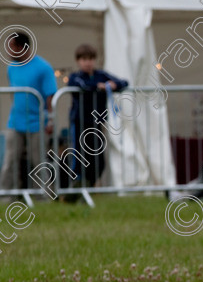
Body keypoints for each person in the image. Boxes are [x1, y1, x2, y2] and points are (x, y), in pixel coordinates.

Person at [64, 44, 128, 189]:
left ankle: (90, 184)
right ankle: (76, 185)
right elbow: (81, 85)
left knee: (98, 158)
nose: (88, 62)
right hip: (79, 122)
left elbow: (123, 82)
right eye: (84, 59)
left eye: (91, 59)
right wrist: (98, 86)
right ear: (78, 61)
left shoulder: (101, 75)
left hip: (97, 123)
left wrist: (112, 85)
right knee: (79, 154)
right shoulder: (75, 77)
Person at [1, 31, 57, 192]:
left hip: (38, 123)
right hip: (15, 122)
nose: (8, 51)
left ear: (22, 47)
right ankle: (7, 195)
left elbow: (50, 96)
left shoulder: (43, 68)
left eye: (11, 47)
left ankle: (43, 195)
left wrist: (50, 119)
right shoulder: (11, 68)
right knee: (10, 160)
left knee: (38, 161)